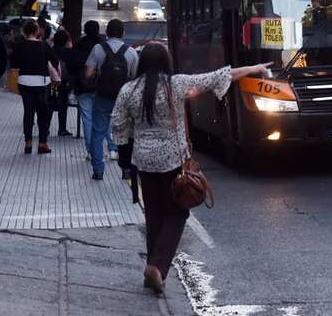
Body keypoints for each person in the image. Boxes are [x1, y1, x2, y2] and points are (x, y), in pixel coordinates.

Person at [111, 43, 271, 294]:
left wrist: (124, 159)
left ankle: (152, 273)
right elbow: (219, 76)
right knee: (177, 213)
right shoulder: (177, 84)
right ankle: (157, 267)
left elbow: (118, 125)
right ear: (166, 62)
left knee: (153, 215)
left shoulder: (128, 90)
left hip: (143, 161)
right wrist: (254, 68)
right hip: (174, 162)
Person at [85, 19, 138, 180]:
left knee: (98, 133)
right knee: (125, 133)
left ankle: (98, 170)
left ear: (106, 32)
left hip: (102, 97)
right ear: (123, 33)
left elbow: (88, 73)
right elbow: (135, 78)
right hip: (123, 100)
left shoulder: (98, 49)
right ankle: (125, 169)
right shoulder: (131, 52)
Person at [10, 20, 58, 154]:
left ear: (24, 31)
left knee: (28, 112)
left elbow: (14, 63)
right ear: (37, 31)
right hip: (42, 83)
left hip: (24, 82)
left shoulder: (20, 45)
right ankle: (42, 143)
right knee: (43, 113)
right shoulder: (44, 45)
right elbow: (54, 60)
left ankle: (28, 143)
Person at [68, 20, 103, 160]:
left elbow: (71, 66)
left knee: (87, 118)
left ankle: (91, 150)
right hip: (101, 86)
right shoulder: (102, 46)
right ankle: (109, 147)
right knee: (101, 118)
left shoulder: (79, 45)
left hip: (82, 86)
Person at [52, 29, 73, 136]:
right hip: (64, 81)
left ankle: (45, 128)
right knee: (63, 105)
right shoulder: (68, 52)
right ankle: (62, 128)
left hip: (51, 81)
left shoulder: (51, 50)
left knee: (49, 104)